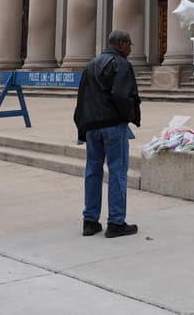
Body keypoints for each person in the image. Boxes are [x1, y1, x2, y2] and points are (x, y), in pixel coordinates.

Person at [73, 29, 141, 238]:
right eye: (129, 44)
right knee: (117, 171)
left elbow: (82, 97)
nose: (130, 49)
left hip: (92, 127)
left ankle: (90, 221)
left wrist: (82, 126)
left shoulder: (91, 64)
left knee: (93, 172)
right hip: (113, 126)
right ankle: (116, 222)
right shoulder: (121, 64)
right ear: (120, 44)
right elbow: (123, 96)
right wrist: (130, 115)